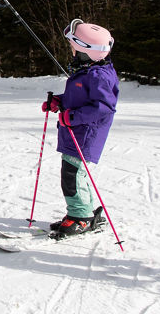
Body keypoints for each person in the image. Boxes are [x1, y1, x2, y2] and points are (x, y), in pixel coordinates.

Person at [41, 19, 118, 237]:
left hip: (85, 134)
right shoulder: (88, 71)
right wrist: (59, 102)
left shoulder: (99, 76)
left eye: (74, 48)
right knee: (77, 175)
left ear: (87, 51)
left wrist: (72, 116)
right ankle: (83, 212)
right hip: (76, 130)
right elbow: (79, 97)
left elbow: (103, 107)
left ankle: (81, 217)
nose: (72, 52)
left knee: (71, 175)